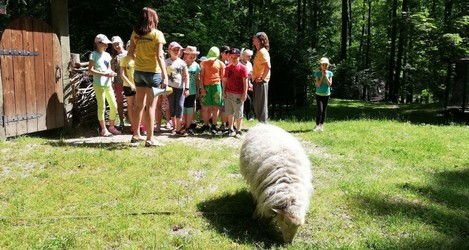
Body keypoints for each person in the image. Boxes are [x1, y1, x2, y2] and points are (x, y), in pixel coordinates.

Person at [127, 7, 167, 147]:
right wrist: (165, 75)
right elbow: (160, 56)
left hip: (138, 72)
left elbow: (130, 54)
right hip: (153, 73)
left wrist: (140, 59)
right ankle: (150, 139)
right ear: (153, 19)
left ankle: (135, 135)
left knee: (138, 105)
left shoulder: (135, 34)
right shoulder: (157, 34)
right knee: (150, 107)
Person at [88, 34, 121, 137]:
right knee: (101, 106)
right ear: (98, 43)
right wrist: (104, 74)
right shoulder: (93, 54)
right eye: (104, 44)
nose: (106, 46)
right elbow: (90, 70)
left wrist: (111, 73)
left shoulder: (107, 55)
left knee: (113, 105)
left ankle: (111, 127)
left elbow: (109, 68)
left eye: (107, 44)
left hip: (107, 84)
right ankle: (103, 129)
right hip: (99, 84)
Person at [199, 46, 225, 135]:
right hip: (206, 87)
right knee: (205, 107)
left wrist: (224, 90)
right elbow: (201, 76)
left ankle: (214, 125)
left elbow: (223, 78)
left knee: (215, 107)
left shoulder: (221, 64)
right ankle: (205, 125)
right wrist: (202, 88)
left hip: (217, 87)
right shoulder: (203, 63)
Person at [222, 48, 248, 137]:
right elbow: (225, 81)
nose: (233, 59)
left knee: (238, 112)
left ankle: (239, 130)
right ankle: (230, 128)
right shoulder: (227, 68)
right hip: (228, 92)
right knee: (229, 112)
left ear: (239, 57)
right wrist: (223, 92)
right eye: (231, 57)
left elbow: (245, 82)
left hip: (238, 93)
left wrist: (244, 93)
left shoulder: (243, 68)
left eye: (235, 57)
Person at [165, 41, 189, 136]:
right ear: (169, 50)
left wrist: (186, 88)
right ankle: (174, 127)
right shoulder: (166, 62)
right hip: (170, 88)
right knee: (172, 107)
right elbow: (163, 75)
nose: (176, 51)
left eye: (178, 50)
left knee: (179, 106)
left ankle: (178, 128)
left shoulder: (182, 63)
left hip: (180, 88)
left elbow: (186, 76)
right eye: (174, 49)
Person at [252, 32, 271, 123]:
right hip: (258, 81)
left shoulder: (262, 52)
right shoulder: (259, 51)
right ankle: (261, 123)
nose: (253, 39)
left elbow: (268, 66)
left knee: (261, 105)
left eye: (255, 38)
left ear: (259, 41)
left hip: (261, 82)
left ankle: (263, 124)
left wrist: (262, 78)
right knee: (257, 104)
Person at [183, 45, 201, 135]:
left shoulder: (197, 66)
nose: (193, 57)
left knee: (190, 108)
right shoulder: (182, 64)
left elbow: (198, 79)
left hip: (192, 91)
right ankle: (183, 124)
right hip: (182, 90)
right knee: (183, 108)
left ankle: (188, 127)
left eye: (194, 56)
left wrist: (198, 90)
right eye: (191, 55)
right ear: (186, 55)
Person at [110, 36, 128, 131]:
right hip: (118, 83)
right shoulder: (114, 59)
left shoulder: (128, 54)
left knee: (131, 102)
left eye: (118, 43)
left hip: (129, 82)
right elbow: (112, 72)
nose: (117, 46)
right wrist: (112, 83)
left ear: (122, 43)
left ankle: (133, 122)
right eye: (114, 45)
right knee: (120, 102)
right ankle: (121, 121)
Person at [313, 57, 333, 132]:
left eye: (326, 65)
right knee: (320, 110)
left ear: (328, 65)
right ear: (320, 65)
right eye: (323, 65)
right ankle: (317, 125)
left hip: (326, 95)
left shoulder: (330, 73)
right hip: (319, 94)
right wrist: (322, 76)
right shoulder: (317, 73)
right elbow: (318, 84)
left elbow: (329, 84)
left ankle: (321, 125)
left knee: (324, 110)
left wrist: (326, 76)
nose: (324, 66)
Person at [240, 48, 254, 120]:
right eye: (248, 56)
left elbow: (251, 74)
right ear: (243, 56)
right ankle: (241, 115)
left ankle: (248, 116)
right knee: (246, 99)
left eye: (251, 56)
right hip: (240, 84)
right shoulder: (239, 63)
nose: (250, 57)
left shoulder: (249, 64)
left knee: (249, 100)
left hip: (248, 84)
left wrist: (250, 82)